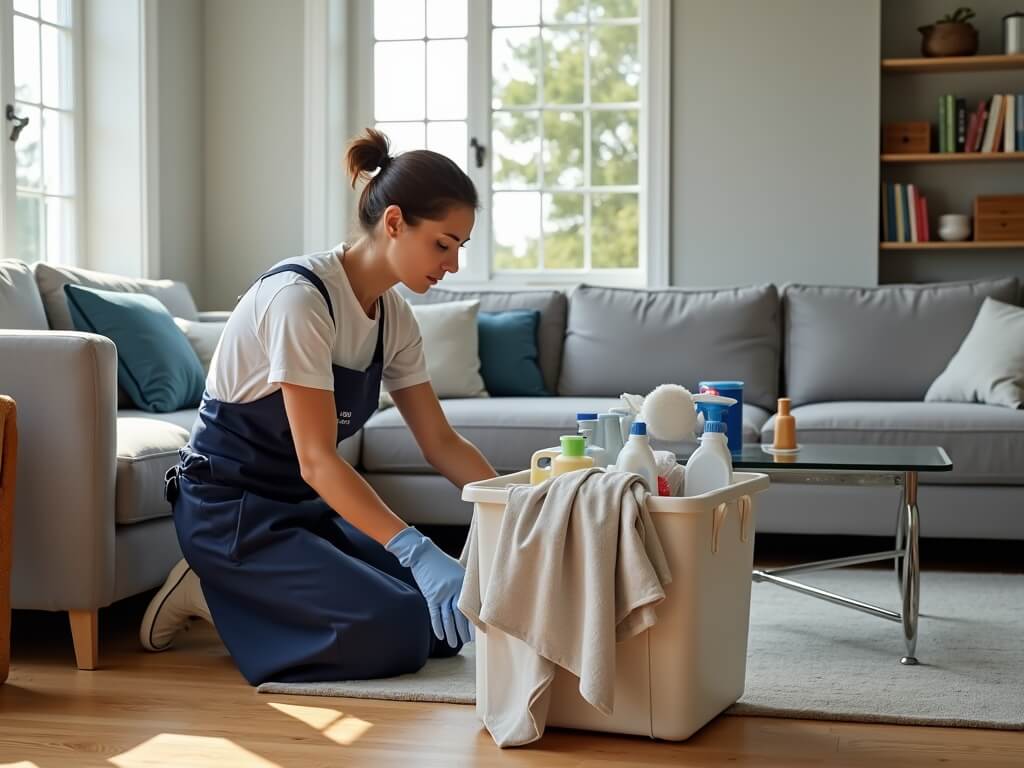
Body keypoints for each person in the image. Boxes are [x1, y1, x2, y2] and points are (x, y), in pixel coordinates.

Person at [139, 128, 497, 685]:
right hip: (231, 512)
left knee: (440, 627)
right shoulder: (300, 300)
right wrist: (420, 551)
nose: (451, 265)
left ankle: (241, 592)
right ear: (396, 222)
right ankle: (212, 587)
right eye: (443, 244)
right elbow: (317, 459)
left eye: (460, 249)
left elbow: (440, 441)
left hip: (303, 510)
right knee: (398, 630)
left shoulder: (393, 318)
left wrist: (516, 507)